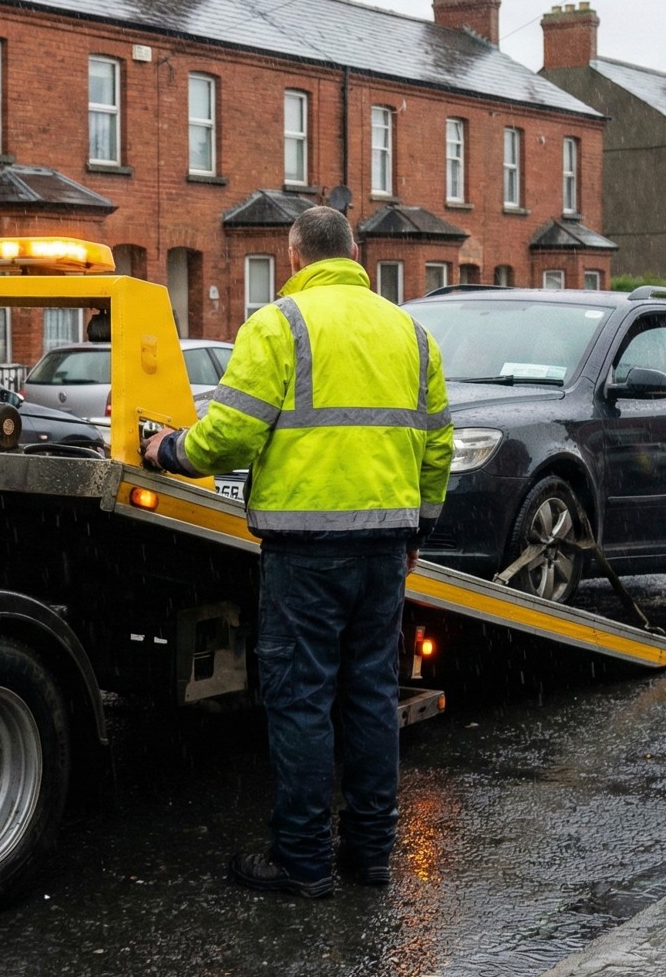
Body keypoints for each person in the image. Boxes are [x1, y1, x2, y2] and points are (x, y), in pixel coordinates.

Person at [142, 206, 452, 897]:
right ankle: (370, 856)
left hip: (305, 551)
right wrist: (416, 535)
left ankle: (303, 861)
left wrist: (166, 448)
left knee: (302, 700)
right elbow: (437, 448)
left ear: (292, 258)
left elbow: (228, 438)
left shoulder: (279, 324)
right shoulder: (410, 333)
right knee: (370, 697)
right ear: (355, 254)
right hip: (383, 549)